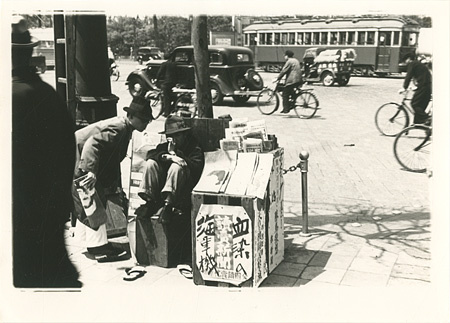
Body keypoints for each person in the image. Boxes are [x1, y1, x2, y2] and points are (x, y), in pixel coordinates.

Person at [12, 16, 81, 288]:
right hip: (49, 216)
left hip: (20, 225)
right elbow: (67, 153)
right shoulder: (48, 95)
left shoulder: (12, 97)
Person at [72, 95, 153, 262]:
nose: (145, 124)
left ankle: (85, 240)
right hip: (80, 158)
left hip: (78, 156)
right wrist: (90, 171)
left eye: (148, 121)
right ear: (131, 117)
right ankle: (98, 248)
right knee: (94, 202)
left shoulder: (125, 127)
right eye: (143, 120)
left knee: (85, 201)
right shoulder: (119, 127)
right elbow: (93, 144)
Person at [137, 115, 204, 224]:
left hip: (183, 192)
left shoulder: (193, 147)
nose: (174, 139)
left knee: (176, 167)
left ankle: (168, 205)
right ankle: (149, 201)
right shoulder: (165, 147)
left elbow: (196, 166)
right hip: (162, 190)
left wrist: (175, 154)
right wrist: (167, 156)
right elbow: (151, 154)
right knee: (151, 163)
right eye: (170, 136)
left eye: (177, 135)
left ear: (184, 134)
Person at [399, 52, 432, 124]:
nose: (405, 62)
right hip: (427, 87)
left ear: (408, 59)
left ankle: (427, 119)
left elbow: (408, 76)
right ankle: (419, 123)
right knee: (420, 105)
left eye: (405, 60)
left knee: (414, 104)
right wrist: (416, 87)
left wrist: (404, 87)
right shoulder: (417, 64)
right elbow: (422, 76)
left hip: (424, 87)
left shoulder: (412, 64)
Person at [157, 53, 178, 117]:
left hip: (167, 82)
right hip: (173, 82)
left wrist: (157, 79)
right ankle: (172, 107)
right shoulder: (174, 64)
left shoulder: (164, 64)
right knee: (171, 95)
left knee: (166, 97)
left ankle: (166, 112)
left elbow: (159, 73)